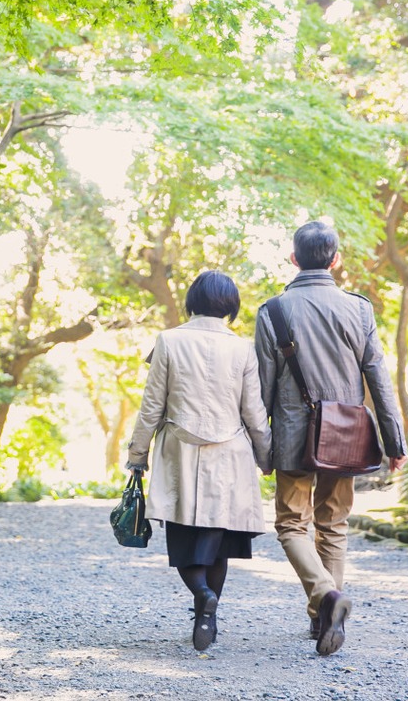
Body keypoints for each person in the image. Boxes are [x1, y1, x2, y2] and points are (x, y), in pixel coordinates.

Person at [253, 220, 407, 657]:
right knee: (333, 525)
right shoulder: (359, 309)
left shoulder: (273, 311)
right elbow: (378, 377)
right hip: (346, 434)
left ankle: (325, 597)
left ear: (293, 258)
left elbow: (262, 388)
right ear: (336, 260)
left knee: (290, 523)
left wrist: (262, 448)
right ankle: (324, 617)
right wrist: (394, 442)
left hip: (291, 435)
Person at [125, 270, 272, 652]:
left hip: (181, 451)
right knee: (217, 540)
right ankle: (209, 613)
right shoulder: (243, 348)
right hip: (230, 456)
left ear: (193, 300)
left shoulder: (169, 341)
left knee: (184, 537)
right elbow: (254, 412)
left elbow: (151, 407)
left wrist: (137, 454)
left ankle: (203, 595)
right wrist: (266, 456)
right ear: (231, 305)